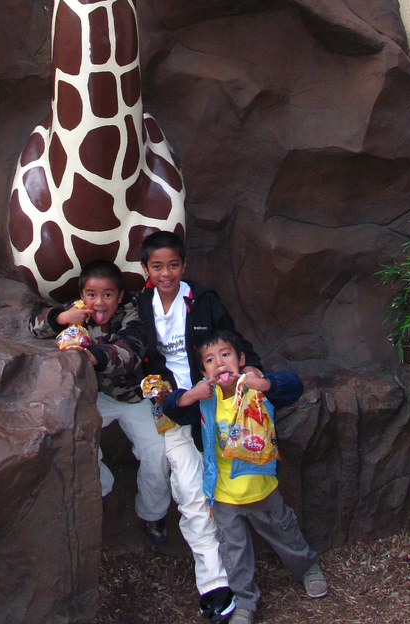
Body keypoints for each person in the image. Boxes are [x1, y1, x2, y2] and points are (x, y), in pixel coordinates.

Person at [136, 231, 263, 623]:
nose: (166, 273)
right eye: (157, 266)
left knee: (217, 488)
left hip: (213, 406)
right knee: (191, 491)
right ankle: (216, 587)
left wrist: (252, 365)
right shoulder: (139, 306)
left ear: (184, 265)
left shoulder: (203, 302)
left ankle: (229, 575)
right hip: (172, 409)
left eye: (173, 265)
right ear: (146, 270)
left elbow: (231, 339)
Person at [164, 328, 328, 624]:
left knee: (285, 532)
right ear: (203, 370)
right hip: (225, 498)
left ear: (240, 359)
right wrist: (190, 395)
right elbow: (170, 407)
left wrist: (263, 383)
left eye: (226, 355)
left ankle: (307, 568)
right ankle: (245, 602)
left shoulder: (255, 389)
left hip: (263, 490)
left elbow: (294, 386)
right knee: (233, 554)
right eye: (210, 360)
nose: (220, 363)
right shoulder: (206, 399)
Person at [30, 259, 171, 545]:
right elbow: (35, 325)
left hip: (133, 396)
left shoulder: (132, 314)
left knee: (157, 453)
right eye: (91, 295)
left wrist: (94, 356)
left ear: (119, 297)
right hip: (94, 398)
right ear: (82, 295)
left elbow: (130, 352)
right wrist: (61, 318)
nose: (98, 302)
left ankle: (152, 512)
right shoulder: (78, 310)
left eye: (107, 295)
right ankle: (103, 488)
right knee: (71, 434)